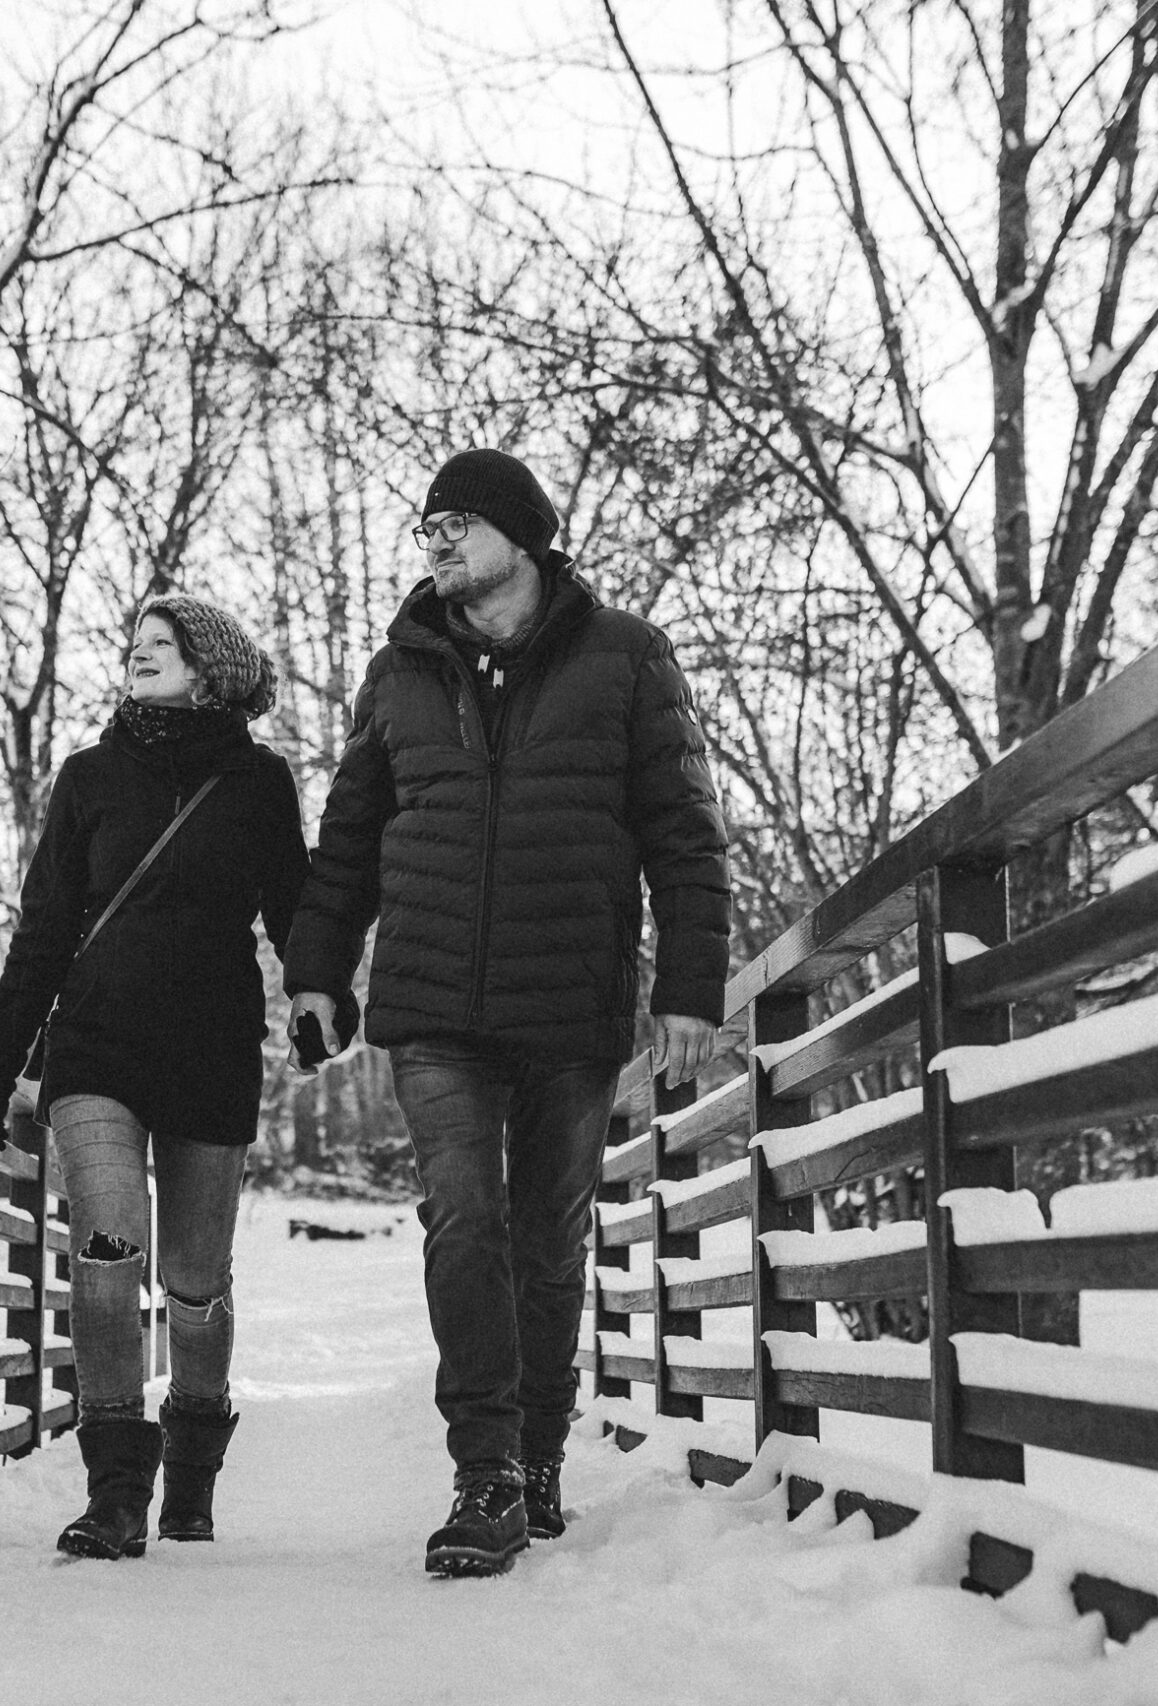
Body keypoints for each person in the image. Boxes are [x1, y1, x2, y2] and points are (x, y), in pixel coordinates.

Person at [284, 447, 728, 1577]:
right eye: (425, 525)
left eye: (457, 522)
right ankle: (482, 1471)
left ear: (522, 537)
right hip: (432, 1000)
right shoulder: (398, 672)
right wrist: (317, 971)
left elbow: (684, 834)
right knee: (463, 1219)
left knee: (547, 1238)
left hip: (569, 998)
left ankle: (536, 1458)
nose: (434, 540)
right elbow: (348, 840)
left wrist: (689, 987)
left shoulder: (626, 656)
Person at [0, 594, 330, 1560]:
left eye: (162, 644)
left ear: (210, 670)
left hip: (212, 1052)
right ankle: (117, 1490)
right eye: (135, 643)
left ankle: (193, 1475)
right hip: (97, 1050)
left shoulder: (258, 782)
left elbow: (294, 913)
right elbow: (44, 930)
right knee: (106, 1248)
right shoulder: (90, 777)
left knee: (195, 1283)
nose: (140, 653)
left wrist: (318, 997)